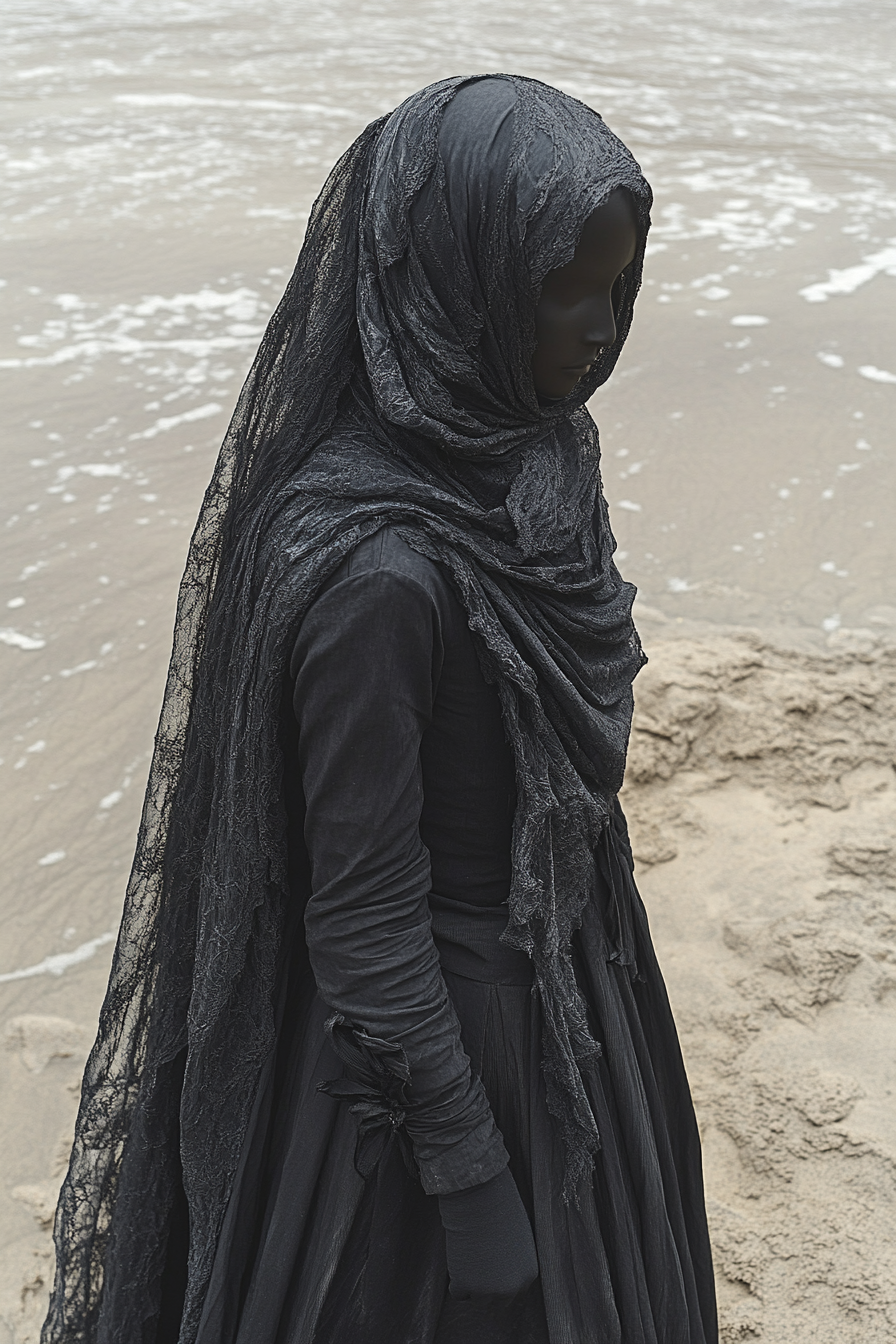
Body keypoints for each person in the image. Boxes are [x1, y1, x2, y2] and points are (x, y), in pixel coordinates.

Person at [42, 75, 718, 1344]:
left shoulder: (528, 447)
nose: (598, 328)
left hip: (571, 974)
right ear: (452, 286)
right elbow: (357, 914)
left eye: (618, 285)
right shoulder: (375, 573)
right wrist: (467, 1173)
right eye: (562, 290)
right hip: (430, 1054)